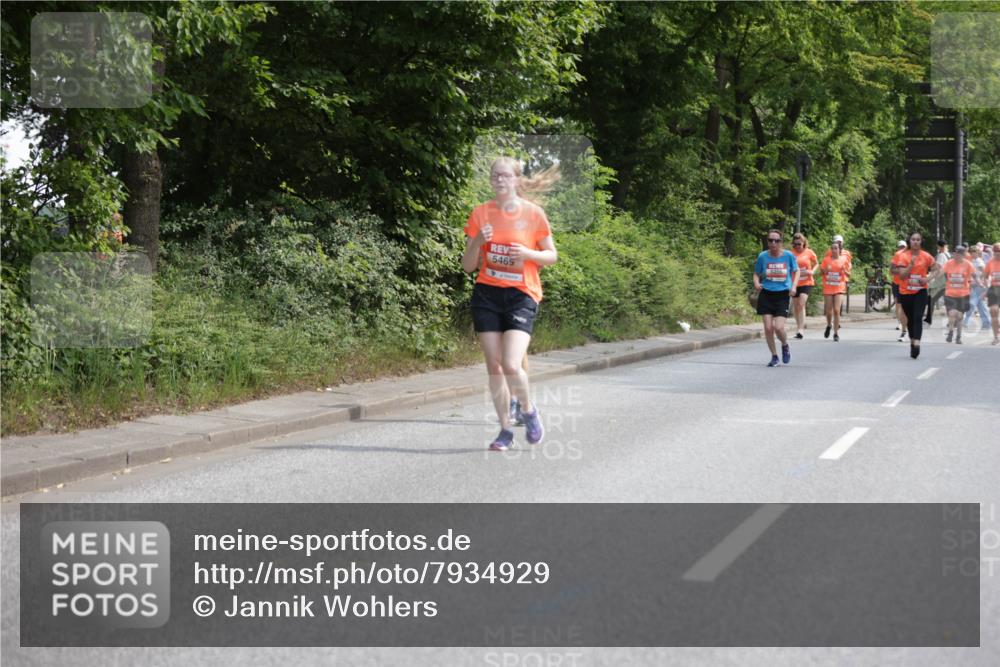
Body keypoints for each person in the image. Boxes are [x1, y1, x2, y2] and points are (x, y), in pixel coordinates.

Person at [462, 157, 558, 451]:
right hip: (487, 294)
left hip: (521, 294)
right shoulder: (480, 213)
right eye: (495, 176)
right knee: (494, 366)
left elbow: (552, 256)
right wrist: (477, 241)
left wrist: (528, 253)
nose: (500, 180)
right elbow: (467, 266)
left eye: (505, 176)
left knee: (511, 364)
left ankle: (529, 412)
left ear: (517, 180)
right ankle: (504, 430)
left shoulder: (533, 214)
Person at [890, 231, 941, 359]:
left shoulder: (926, 256)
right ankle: (912, 341)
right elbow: (901, 275)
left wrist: (928, 279)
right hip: (905, 292)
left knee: (918, 317)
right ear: (909, 241)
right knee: (910, 320)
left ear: (921, 241)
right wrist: (911, 265)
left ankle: (917, 344)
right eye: (913, 239)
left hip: (920, 291)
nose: (916, 242)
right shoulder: (903, 256)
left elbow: (937, 269)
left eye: (918, 239)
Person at [753, 229, 798, 367]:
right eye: (770, 240)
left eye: (776, 241)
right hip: (766, 293)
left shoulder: (788, 256)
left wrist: (794, 286)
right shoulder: (763, 257)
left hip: (782, 294)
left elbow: (796, 271)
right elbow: (756, 273)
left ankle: (785, 345)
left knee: (778, 328)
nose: (773, 243)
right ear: (767, 242)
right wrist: (756, 283)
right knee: (768, 328)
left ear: (781, 242)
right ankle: (774, 356)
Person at [941, 245, 974, 344]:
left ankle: (958, 337)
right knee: (952, 314)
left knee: (959, 316)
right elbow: (941, 272)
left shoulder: (968, 265)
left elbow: (973, 278)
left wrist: (976, 285)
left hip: (963, 294)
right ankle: (951, 332)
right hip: (950, 293)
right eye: (955, 253)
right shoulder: (949, 263)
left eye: (959, 253)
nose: (956, 255)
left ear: (963, 255)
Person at [819, 242, 850, 341]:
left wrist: (845, 271)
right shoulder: (826, 260)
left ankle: (836, 333)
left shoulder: (844, 260)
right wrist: (825, 270)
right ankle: (829, 325)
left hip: (839, 287)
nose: (833, 250)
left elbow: (849, 274)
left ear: (839, 250)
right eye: (832, 248)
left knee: (836, 310)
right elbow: (821, 272)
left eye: (836, 248)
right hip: (828, 287)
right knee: (829, 311)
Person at [789, 233, 817, 339]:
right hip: (795, 282)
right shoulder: (791, 254)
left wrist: (812, 271)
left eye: (799, 244)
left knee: (801, 304)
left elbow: (816, 263)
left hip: (806, 282)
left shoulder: (809, 252)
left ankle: (801, 329)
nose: (797, 246)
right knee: (796, 307)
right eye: (795, 244)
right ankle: (798, 328)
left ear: (804, 243)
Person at [963, 243, 992, 332]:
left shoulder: (979, 261)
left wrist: (982, 282)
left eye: (973, 252)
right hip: (976, 285)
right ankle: (987, 323)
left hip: (979, 286)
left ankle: (965, 322)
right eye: (971, 252)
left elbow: (984, 273)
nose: (971, 253)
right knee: (981, 306)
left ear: (977, 252)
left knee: (972, 303)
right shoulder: (974, 261)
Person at [925, 239, 950, 325]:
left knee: (931, 299)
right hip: (947, 282)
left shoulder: (941, 255)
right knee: (947, 302)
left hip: (940, 282)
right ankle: (951, 321)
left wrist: (931, 275)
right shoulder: (948, 255)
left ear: (939, 246)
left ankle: (928, 320)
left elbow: (938, 267)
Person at [891, 240, 908, 341]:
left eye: (903, 247)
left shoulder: (909, 256)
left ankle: (904, 325)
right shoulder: (896, 256)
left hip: (906, 284)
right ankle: (900, 322)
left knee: (904, 306)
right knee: (898, 304)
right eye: (900, 247)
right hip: (896, 283)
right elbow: (892, 271)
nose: (902, 248)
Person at [986, 242, 1000, 345]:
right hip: (994, 289)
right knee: (993, 311)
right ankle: (996, 337)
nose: (997, 254)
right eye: (995, 252)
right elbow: (985, 276)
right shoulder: (990, 262)